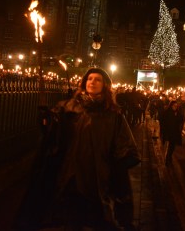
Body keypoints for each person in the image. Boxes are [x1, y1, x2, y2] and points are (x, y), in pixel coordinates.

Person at [15, 68, 140, 230]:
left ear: (105, 86)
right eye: (89, 79)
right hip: (70, 175)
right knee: (69, 219)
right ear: (84, 83)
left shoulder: (113, 115)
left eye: (97, 79)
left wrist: (118, 167)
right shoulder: (69, 108)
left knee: (93, 220)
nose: (92, 82)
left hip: (96, 177)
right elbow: (55, 135)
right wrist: (48, 119)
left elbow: (124, 147)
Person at [161, 100, 184, 166]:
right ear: (171, 106)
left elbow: (180, 120)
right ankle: (167, 159)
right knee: (170, 146)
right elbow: (164, 122)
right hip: (169, 131)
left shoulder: (177, 112)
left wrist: (177, 115)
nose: (175, 107)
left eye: (176, 106)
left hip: (175, 132)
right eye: (174, 106)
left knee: (172, 146)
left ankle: (169, 158)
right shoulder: (167, 112)